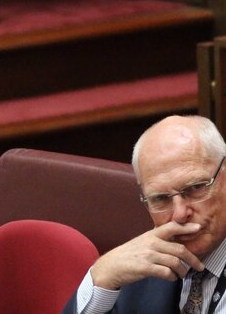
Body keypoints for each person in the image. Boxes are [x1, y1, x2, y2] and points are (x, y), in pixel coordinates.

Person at [64, 115, 226, 314]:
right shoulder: (141, 270)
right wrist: (101, 276)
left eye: (195, 188)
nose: (179, 214)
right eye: (160, 199)